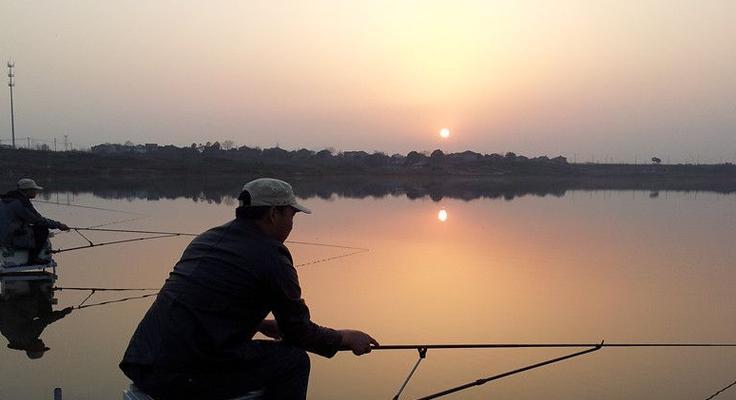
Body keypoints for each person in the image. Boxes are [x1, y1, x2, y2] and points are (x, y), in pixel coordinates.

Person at [120, 178, 378, 400]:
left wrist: (259, 324)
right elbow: (298, 333)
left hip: (144, 362)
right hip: (182, 374)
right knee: (293, 361)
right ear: (273, 214)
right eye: (292, 214)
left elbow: (201, 304)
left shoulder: (207, 239)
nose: (292, 222)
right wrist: (345, 337)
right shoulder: (272, 257)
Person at [0, 178, 70, 264]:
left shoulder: (8, 199)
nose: (36, 192)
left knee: (34, 228)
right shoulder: (21, 203)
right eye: (34, 190)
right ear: (27, 190)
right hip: (9, 237)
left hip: (5, 233)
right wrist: (59, 225)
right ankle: (33, 258)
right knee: (42, 229)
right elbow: (37, 220)